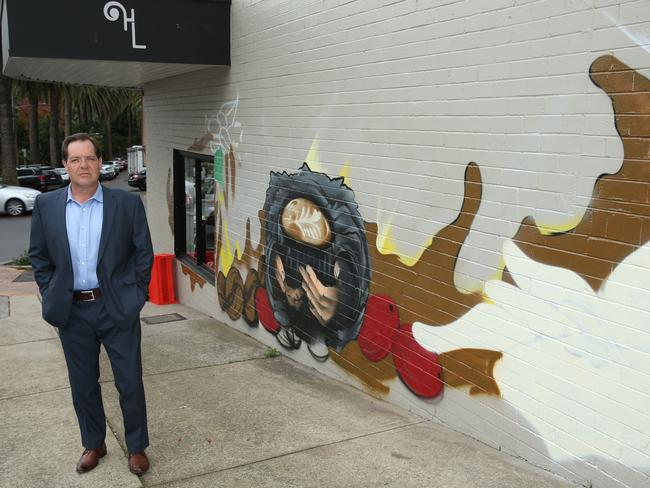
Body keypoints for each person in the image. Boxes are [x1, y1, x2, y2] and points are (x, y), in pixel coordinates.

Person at [29, 133, 154, 475]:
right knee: (83, 383)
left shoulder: (127, 205)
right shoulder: (47, 205)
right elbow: (39, 258)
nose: (83, 165)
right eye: (75, 159)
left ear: (100, 163)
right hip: (72, 312)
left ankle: (137, 447)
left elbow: (143, 254)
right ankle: (94, 443)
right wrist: (51, 289)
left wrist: (135, 296)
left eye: (89, 158)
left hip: (116, 308)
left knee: (129, 381)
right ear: (66, 166)